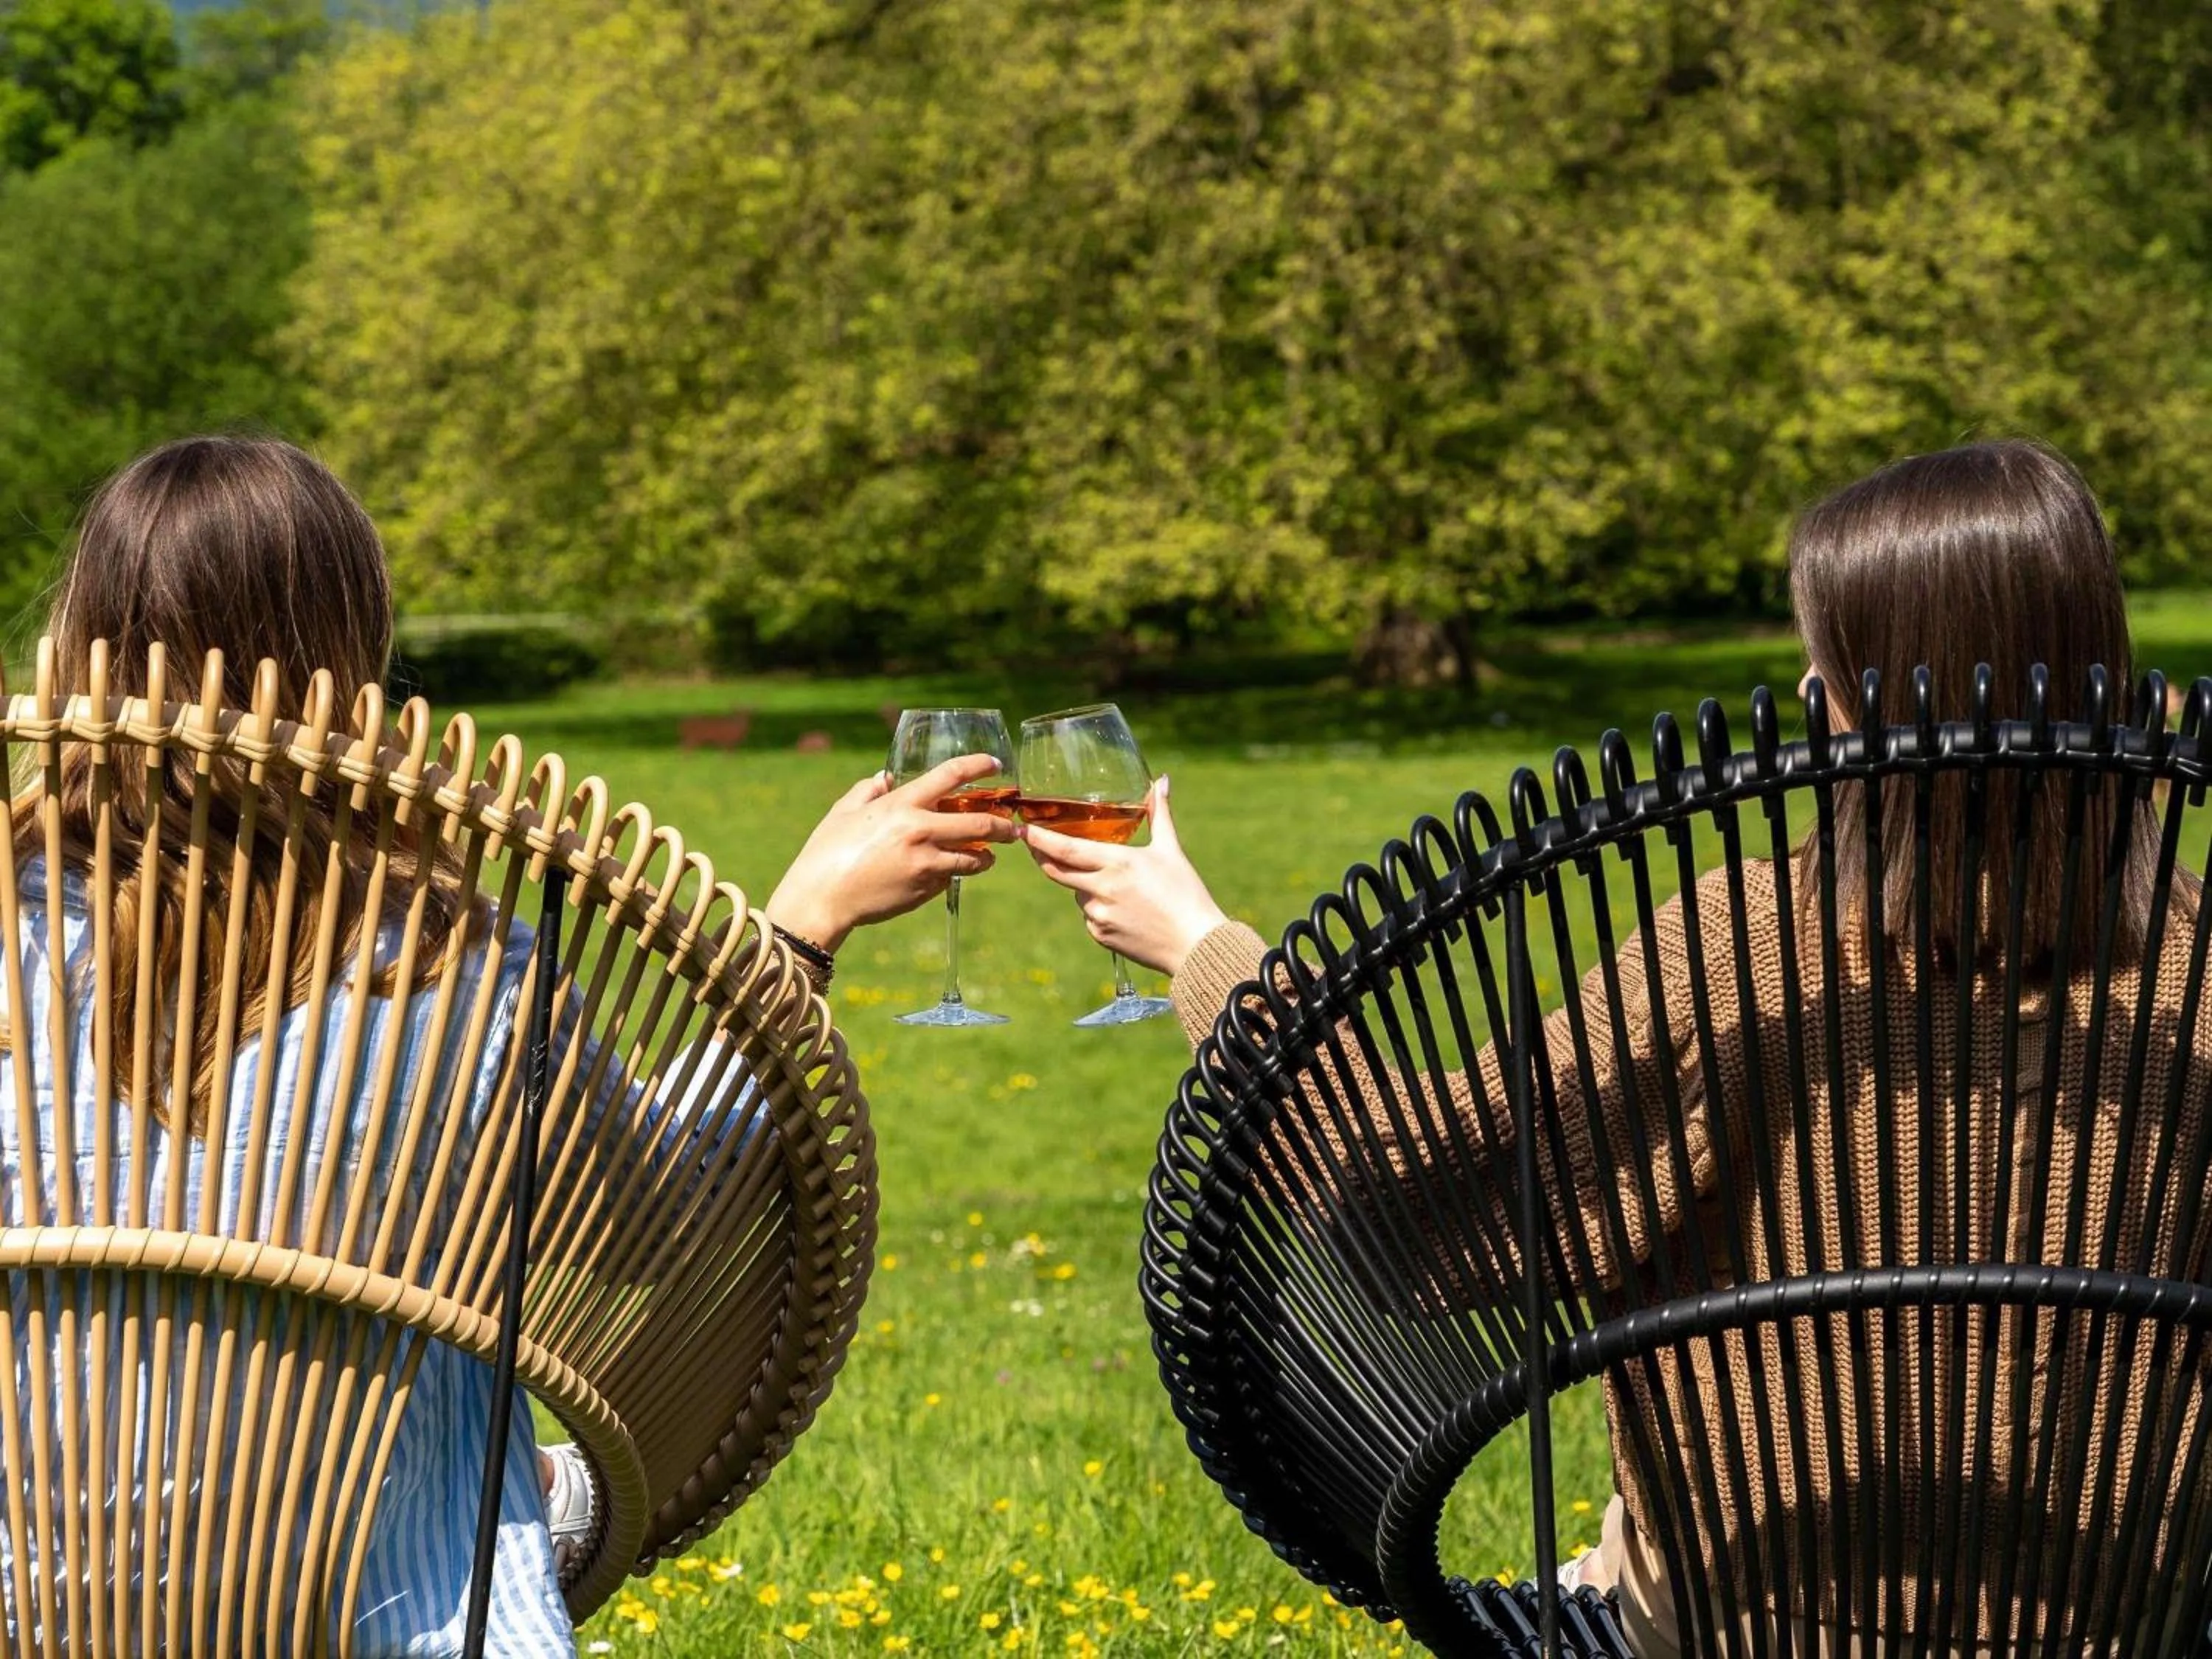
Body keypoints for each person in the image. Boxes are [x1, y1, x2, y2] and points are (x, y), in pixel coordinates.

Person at [1026, 438, 2202, 1654]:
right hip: (2127, 1627)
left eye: (1831, 658)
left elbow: (1406, 1199)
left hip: (1743, 1624)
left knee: (1607, 1564)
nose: (1804, 690)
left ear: (1900, 694)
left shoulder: (1748, 946)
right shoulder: (2201, 969)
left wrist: (1203, 945)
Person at [1, 434, 1015, 1655]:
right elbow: (658, 1233)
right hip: (384, 1610)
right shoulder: (454, 968)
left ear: (82, 642)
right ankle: (521, 1489)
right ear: (350, 662)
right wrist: (792, 932)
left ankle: (521, 1485)